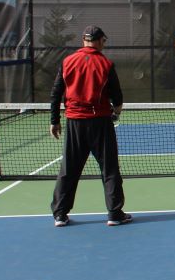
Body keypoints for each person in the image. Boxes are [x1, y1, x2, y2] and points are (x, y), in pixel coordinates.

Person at [50, 25, 132, 228]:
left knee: (69, 169)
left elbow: (56, 93)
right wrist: (116, 113)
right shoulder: (105, 63)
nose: (104, 45)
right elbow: (118, 96)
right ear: (99, 41)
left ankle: (60, 214)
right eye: (104, 41)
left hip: (74, 123)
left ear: (83, 40)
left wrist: (54, 120)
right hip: (100, 123)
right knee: (110, 168)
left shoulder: (67, 61)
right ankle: (114, 213)